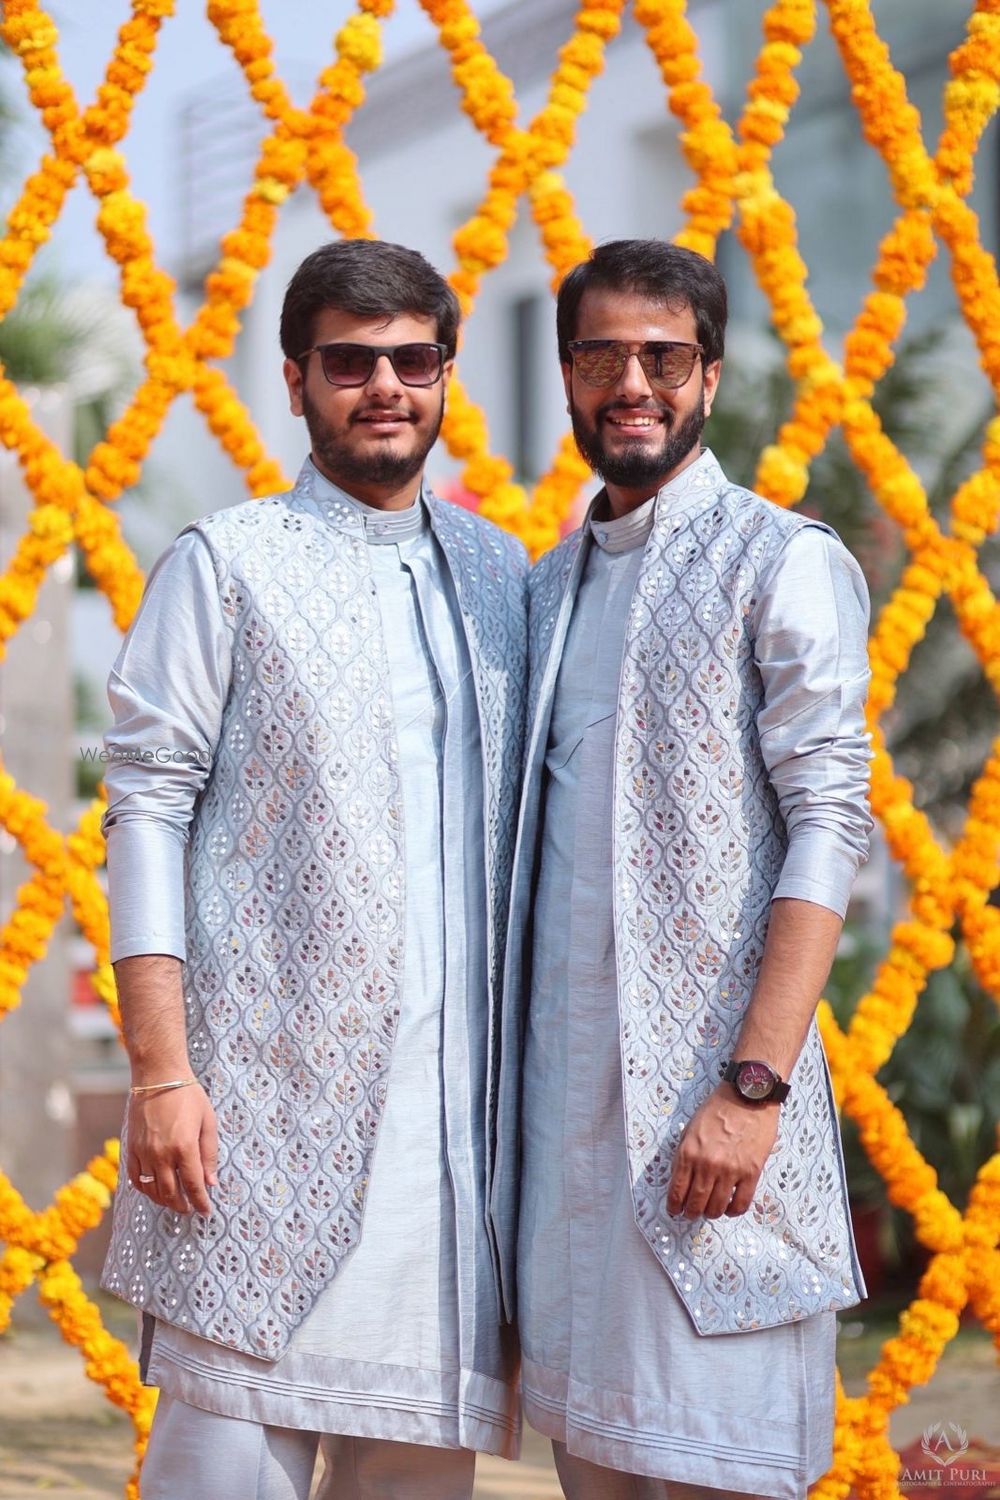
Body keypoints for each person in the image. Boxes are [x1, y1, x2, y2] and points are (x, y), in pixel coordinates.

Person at [99, 238, 528, 1500]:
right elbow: (144, 809)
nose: (384, 385)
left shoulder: (502, 572)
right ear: (295, 381)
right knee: (222, 1468)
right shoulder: (222, 562)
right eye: (350, 360)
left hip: (452, 1160)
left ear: (447, 376)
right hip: (257, 1121)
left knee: (411, 1482)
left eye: (413, 359)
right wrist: (162, 1072)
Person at [494, 239, 873, 1500]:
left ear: (709, 375)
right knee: (596, 1473)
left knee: (722, 1471)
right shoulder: (545, 593)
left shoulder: (781, 560)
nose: (632, 381)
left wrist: (753, 1087)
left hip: (718, 1130)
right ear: (566, 375)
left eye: (664, 354)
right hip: (565, 1146)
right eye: (603, 353)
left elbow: (830, 820)